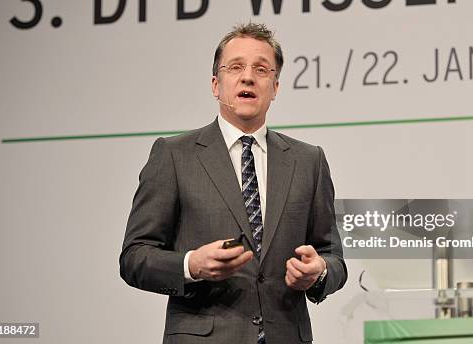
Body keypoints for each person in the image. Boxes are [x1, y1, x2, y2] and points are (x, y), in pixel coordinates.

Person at [120, 22, 347, 344]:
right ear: (216, 84)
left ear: (275, 87)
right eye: (236, 67)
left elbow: (332, 255)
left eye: (262, 69)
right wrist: (191, 265)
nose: (248, 77)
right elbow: (134, 257)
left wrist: (320, 271)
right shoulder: (173, 155)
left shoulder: (308, 160)